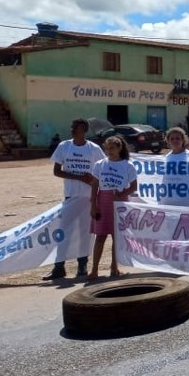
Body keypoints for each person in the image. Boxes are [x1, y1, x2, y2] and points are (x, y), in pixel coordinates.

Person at [43, 118, 106, 280]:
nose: (72, 129)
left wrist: (91, 180)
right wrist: (79, 177)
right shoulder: (64, 146)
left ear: (84, 130)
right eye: (72, 127)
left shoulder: (94, 149)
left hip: (88, 198)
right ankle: (59, 267)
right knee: (64, 232)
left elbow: (102, 171)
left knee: (85, 233)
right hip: (70, 196)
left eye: (76, 127)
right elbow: (57, 171)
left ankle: (82, 266)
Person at [89, 136, 138, 280]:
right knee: (100, 237)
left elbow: (134, 186)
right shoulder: (100, 164)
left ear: (119, 148)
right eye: (107, 148)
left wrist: (122, 193)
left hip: (121, 203)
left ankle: (114, 267)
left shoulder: (127, 165)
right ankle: (94, 269)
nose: (109, 151)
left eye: (112, 148)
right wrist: (93, 205)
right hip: (103, 201)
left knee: (117, 238)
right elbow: (95, 185)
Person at [162, 127, 189, 206]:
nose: (175, 140)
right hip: (170, 201)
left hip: (188, 201)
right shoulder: (166, 158)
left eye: (177, 138)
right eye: (172, 139)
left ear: (183, 140)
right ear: (168, 141)